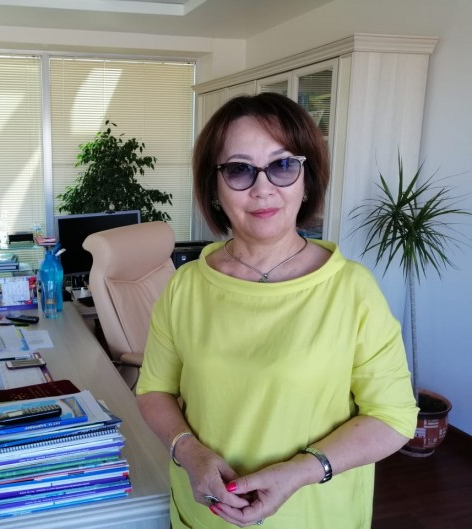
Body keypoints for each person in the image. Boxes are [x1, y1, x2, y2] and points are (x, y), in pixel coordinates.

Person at [136, 93, 418, 529]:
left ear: (307, 179)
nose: (263, 188)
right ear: (214, 188)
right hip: (205, 516)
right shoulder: (186, 285)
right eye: (239, 169)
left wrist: (302, 471)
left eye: (283, 165)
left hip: (316, 518)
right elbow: (154, 390)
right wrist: (188, 452)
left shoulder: (352, 289)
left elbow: (393, 417)